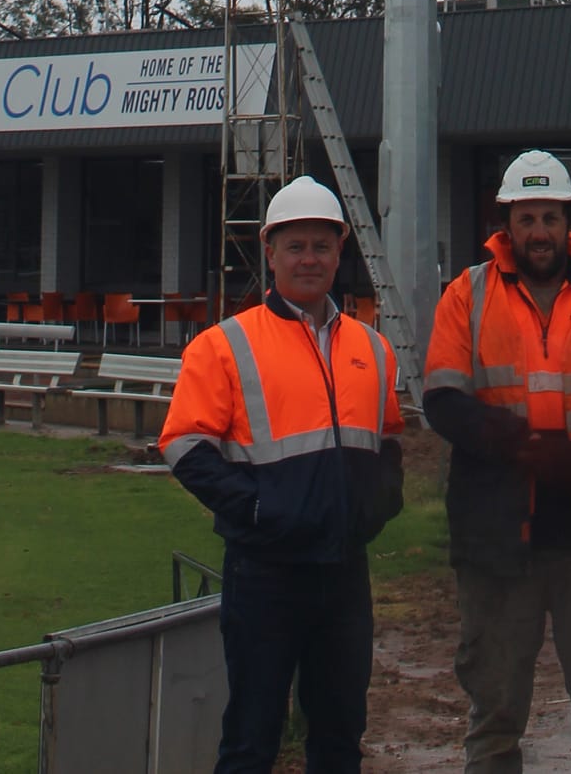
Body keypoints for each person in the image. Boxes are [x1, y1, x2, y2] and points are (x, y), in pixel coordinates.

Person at [159, 176, 405, 774]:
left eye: (322, 245)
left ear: (339, 251)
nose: (309, 259)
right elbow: (183, 446)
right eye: (295, 246)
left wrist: (377, 506)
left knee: (340, 734)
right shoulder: (226, 346)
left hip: (344, 572)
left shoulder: (372, 348)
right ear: (270, 253)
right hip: (265, 572)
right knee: (252, 737)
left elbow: (390, 441)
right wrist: (262, 510)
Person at [424, 150, 571, 774]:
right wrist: (517, 444)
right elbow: (443, 401)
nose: (539, 232)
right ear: (506, 223)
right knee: (494, 719)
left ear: (567, 219)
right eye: (525, 218)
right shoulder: (465, 296)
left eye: (549, 217)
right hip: (498, 539)